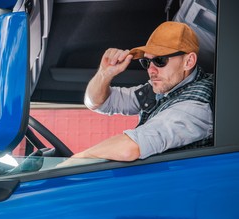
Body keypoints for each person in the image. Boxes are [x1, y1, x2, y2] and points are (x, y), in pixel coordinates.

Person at [72, 21, 214, 161]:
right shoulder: (161, 89)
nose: (151, 70)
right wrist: (104, 74)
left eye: (160, 60)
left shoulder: (196, 105)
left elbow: (130, 148)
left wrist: (72, 162)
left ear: (188, 62)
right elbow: (96, 103)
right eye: (146, 62)